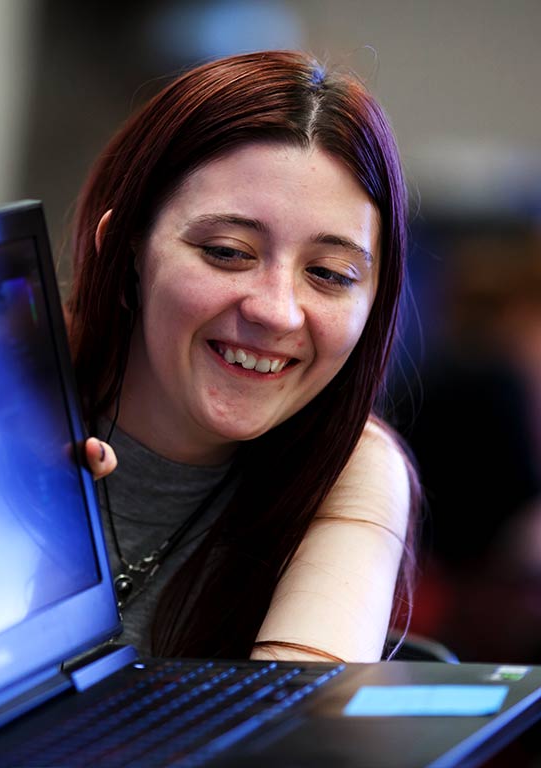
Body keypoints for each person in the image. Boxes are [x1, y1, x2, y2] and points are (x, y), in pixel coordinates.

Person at [66, 50, 419, 663]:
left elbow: (301, 735)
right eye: (229, 252)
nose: (277, 311)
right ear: (124, 250)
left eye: (331, 274)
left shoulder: (348, 467)